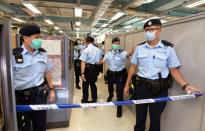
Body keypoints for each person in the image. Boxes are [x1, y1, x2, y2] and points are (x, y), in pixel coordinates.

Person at [123, 19, 201, 131]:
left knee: (155, 120)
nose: (148, 32)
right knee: (140, 117)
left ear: (159, 31)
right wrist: (127, 84)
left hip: (159, 90)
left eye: (151, 29)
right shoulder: (139, 48)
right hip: (141, 88)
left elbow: (174, 70)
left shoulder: (168, 49)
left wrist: (186, 85)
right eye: (146, 30)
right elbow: (133, 67)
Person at [13, 24, 55, 131]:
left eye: (40, 37)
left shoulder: (42, 54)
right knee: (23, 127)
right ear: (25, 38)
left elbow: (47, 72)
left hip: (39, 96)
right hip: (21, 98)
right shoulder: (14, 55)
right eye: (36, 37)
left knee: (40, 126)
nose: (39, 40)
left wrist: (51, 89)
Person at [99, 37, 133, 118]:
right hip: (111, 74)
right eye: (115, 43)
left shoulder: (122, 52)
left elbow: (128, 54)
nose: (116, 45)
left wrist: (131, 52)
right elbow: (103, 60)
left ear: (119, 44)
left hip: (120, 75)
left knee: (119, 92)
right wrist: (100, 61)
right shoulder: (108, 53)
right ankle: (110, 95)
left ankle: (119, 109)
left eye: (118, 44)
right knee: (110, 87)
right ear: (112, 44)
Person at [79, 36, 102, 103]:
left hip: (87, 69)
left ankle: (85, 99)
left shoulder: (85, 50)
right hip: (95, 69)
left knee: (85, 84)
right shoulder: (98, 50)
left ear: (86, 41)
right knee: (93, 84)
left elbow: (83, 62)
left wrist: (82, 73)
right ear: (93, 41)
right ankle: (94, 99)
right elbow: (100, 60)